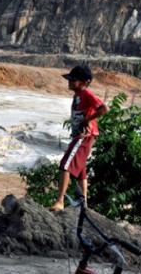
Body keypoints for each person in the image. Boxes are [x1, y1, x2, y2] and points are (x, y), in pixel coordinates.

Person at [50, 65, 109, 212]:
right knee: (81, 170)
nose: (69, 82)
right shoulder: (77, 96)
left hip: (85, 135)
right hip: (80, 135)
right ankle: (84, 204)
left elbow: (104, 108)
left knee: (65, 164)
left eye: (73, 80)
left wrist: (89, 119)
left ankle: (60, 200)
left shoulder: (87, 94)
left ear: (84, 82)